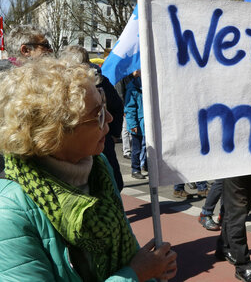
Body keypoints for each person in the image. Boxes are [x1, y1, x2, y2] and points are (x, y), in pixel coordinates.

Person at [0, 57, 177, 280]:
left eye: (104, 105)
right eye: (98, 115)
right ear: (53, 134)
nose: (110, 118)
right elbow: (133, 269)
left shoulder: (98, 168)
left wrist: (153, 272)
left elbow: (126, 246)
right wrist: (136, 274)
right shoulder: (9, 212)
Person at [60, 45, 125, 191]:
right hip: (79, 143)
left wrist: (113, 133)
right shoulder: (62, 85)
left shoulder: (100, 81)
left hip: (100, 139)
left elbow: (116, 106)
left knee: (111, 180)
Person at [215, 174, 251, 282]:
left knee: (237, 211)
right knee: (237, 215)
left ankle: (224, 246)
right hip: (236, 169)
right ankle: (243, 267)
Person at [124, 69, 147, 180]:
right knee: (136, 148)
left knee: (148, 147)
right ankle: (135, 169)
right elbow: (130, 108)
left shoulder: (146, 85)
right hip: (138, 123)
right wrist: (133, 125)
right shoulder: (132, 88)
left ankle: (146, 166)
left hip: (146, 121)